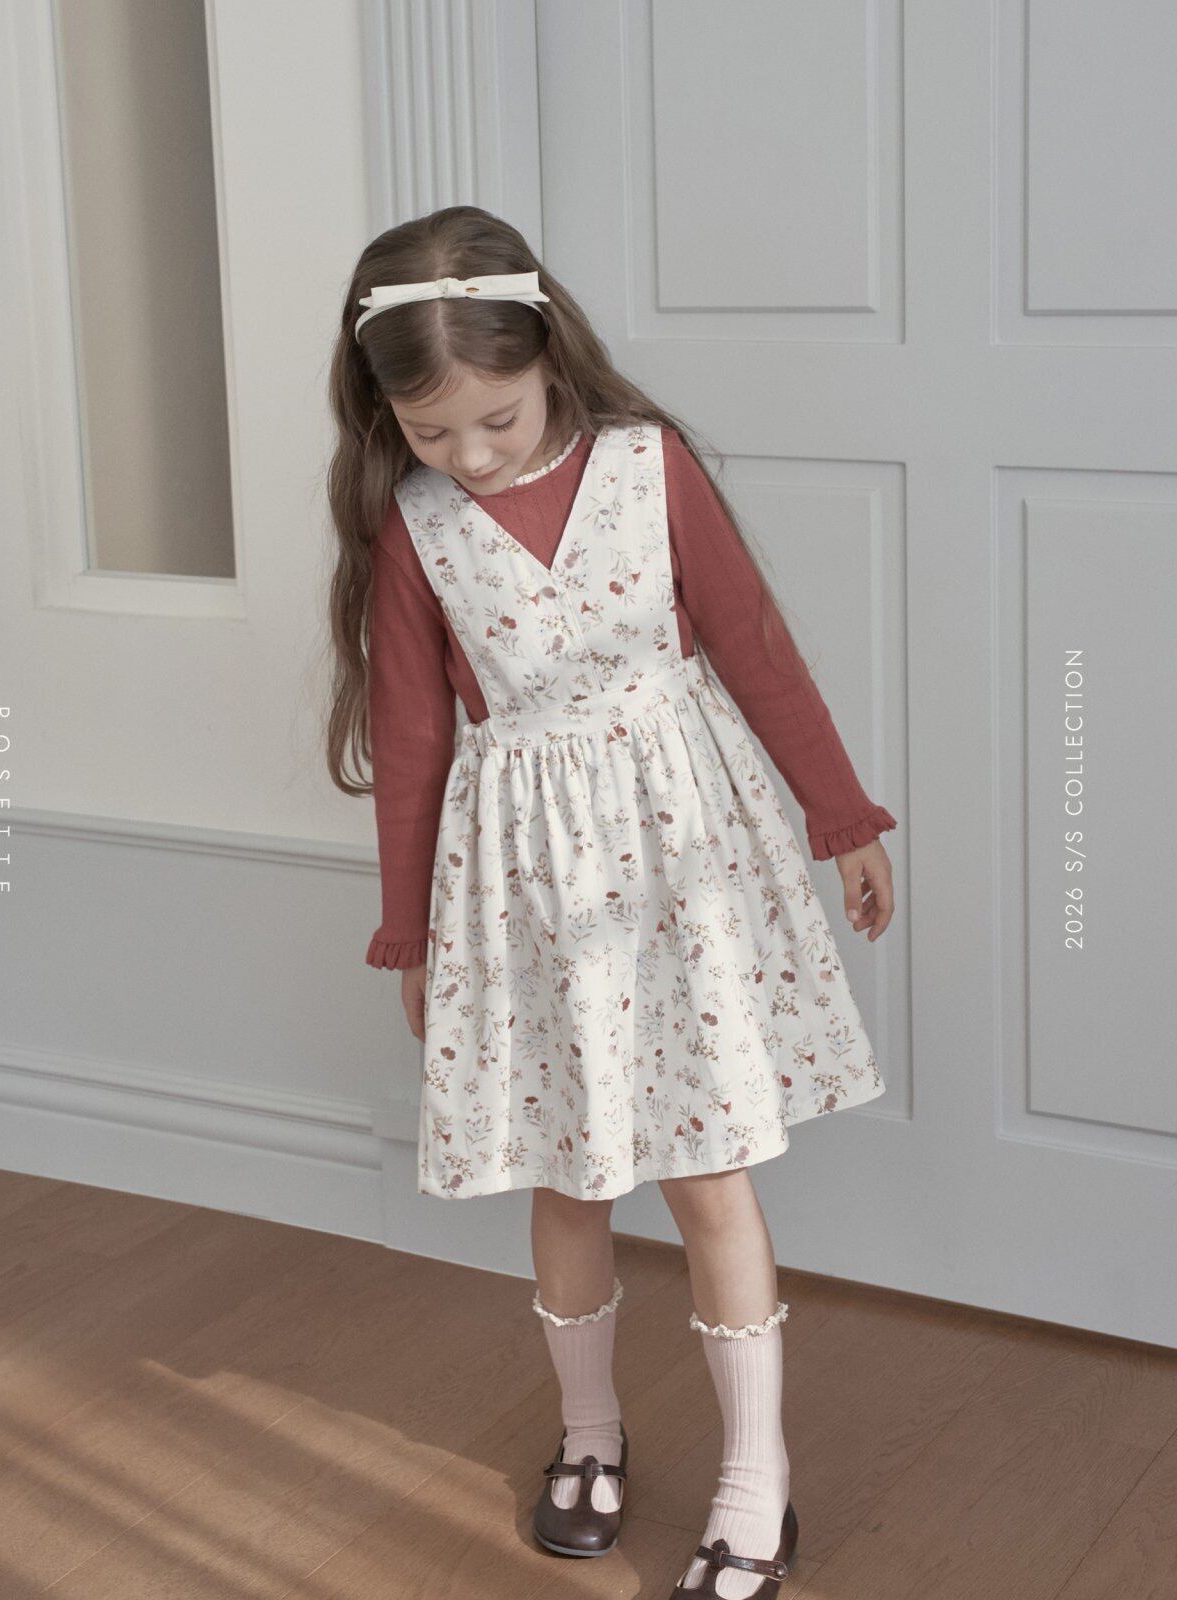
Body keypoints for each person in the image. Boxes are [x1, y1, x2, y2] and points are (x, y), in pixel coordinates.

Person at [323, 205, 896, 1598]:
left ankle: (756, 1478)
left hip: (685, 862)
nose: (469, 456)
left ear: (549, 357)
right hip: (523, 887)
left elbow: (752, 644)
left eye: (497, 420)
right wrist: (412, 932)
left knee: (708, 1171)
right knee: (571, 1171)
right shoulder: (413, 528)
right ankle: (590, 1433)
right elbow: (414, 741)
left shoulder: (648, 466)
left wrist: (840, 813)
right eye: (432, 432)